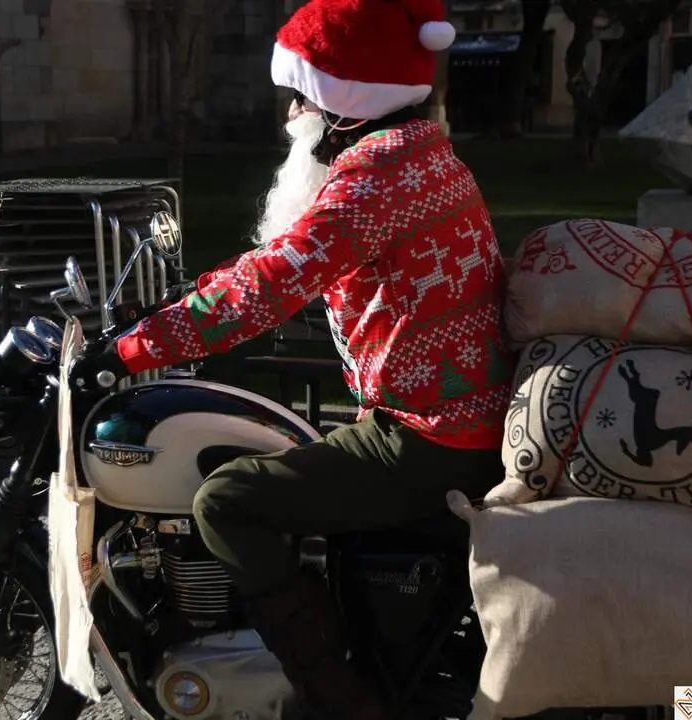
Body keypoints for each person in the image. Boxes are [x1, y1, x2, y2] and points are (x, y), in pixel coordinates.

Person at [75, 0, 513, 716]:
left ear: (341, 100)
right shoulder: (420, 152)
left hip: (429, 437)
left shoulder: (371, 181)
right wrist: (161, 313)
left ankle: (335, 696)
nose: (288, 114)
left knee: (226, 500)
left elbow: (267, 289)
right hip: (454, 420)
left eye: (299, 94)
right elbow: (277, 263)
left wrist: (128, 351)